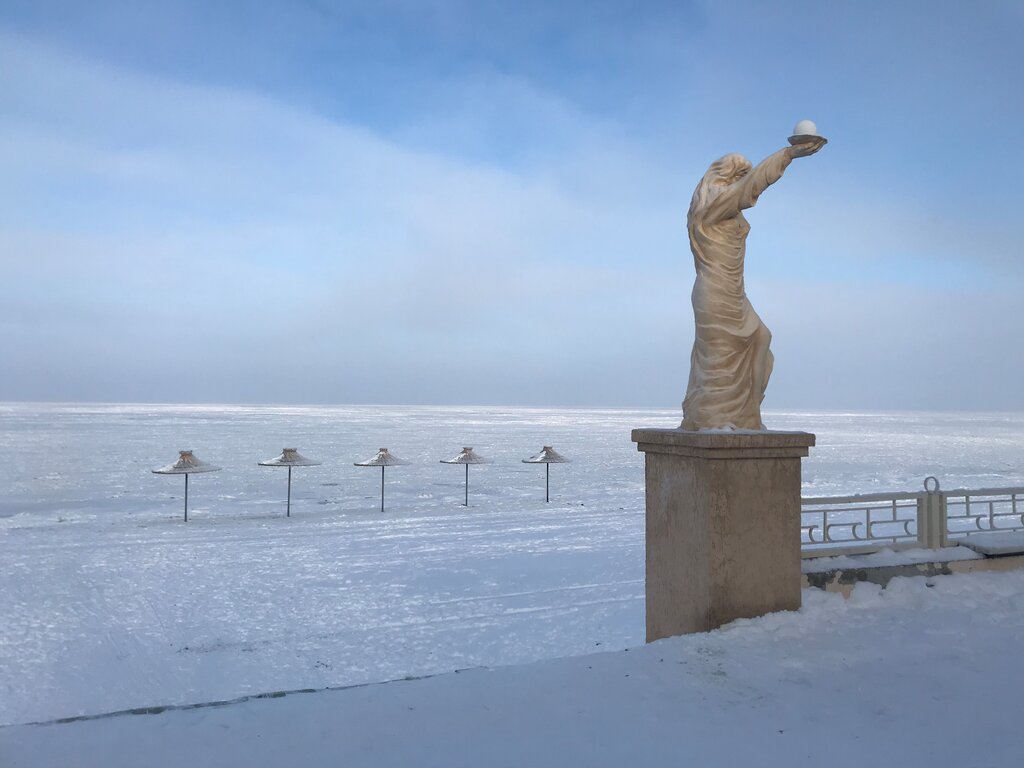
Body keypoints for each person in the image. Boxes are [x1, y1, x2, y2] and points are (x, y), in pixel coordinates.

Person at [681, 137, 826, 430]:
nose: (740, 183)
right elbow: (748, 190)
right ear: (724, 178)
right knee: (720, 363)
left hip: (734, 291)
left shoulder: (724, 207)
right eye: (738, 177)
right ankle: (713, 418)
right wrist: (787, 155)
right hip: (716, 292)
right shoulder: (709, 210)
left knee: (761, 337)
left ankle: (747, 417)